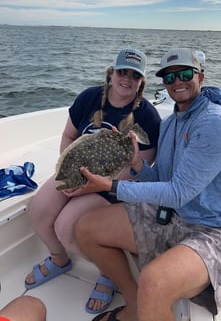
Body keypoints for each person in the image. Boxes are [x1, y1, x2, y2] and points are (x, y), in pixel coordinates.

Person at [74, 47, 221, 321]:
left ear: (200, 77)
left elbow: (177, 193)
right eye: (169, 77)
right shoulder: (169, 124)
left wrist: (111, 186)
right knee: (86, 229)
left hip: (219, 230)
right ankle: (133, 304)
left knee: (154, 283)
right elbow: (163, 181)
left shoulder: (216, 123)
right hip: (175, 216)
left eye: (184, 74)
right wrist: (137, 166)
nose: (177, 81)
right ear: (163, 84)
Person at [24, 47, 161, 315]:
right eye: (123, 72)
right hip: (76, 171)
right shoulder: (89, 98)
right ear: (112, 73)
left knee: (67, 226)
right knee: (39, 209)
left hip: (111, 184)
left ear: (141, 81)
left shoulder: (147, 116)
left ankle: (107, 273)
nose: (127, 79)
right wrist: (71, 171)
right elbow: (68, 137)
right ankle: (59, 258)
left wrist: (96, 184)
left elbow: (141, 166)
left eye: (135, 76)